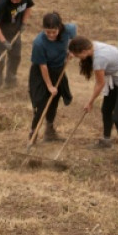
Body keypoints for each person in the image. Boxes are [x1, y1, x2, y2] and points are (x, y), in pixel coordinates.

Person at [67, 36, 118, 170]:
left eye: (78, 56)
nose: (79, 59)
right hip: (114, 78)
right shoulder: (92, 46)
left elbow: (100, 83)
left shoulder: (99, 59)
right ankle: (106, 141)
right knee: (106, 110)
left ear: (84, 51)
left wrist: (90, 102)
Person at [28, 12, 76, 142]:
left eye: (53, 32)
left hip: (58, 70)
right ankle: (33, 135)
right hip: (40, 73)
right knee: (41, 104)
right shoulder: (39, 43)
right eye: (47, 32)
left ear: (59, 27)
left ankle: (49, 132)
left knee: (54, 101)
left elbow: (74, 34)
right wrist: (49, 86)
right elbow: (43, 66)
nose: (50, 35)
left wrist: (70, 50)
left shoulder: (68, 30)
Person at [0, 0, 35, 90]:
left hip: (14, 30)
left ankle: (10, 80)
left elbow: (28, 7)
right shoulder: (3, 2)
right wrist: (3, 41)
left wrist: (23, 22)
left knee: (16, 56)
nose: (14, 1)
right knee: (0, 59)